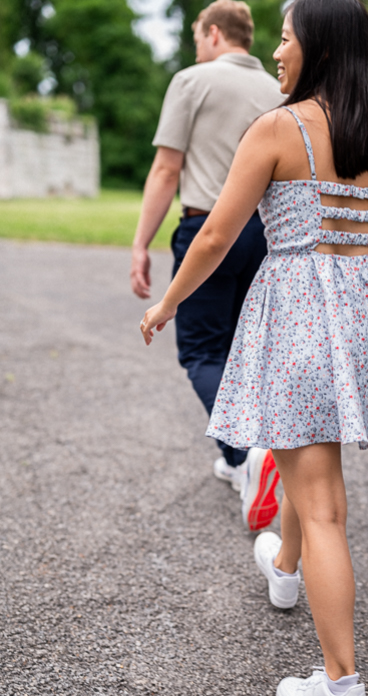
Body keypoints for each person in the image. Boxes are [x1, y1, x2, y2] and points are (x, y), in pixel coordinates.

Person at [139, 0, 368, 696]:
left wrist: (168, 303)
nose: (277, 51)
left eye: (286, 36)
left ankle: (341, 689)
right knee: (315, 467)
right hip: (365, 321)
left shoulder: (280, 128)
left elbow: (212, 239)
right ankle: (285, 569)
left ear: (320, 48)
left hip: (301, 314)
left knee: (323, 498)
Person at [129, 0, 286, 530]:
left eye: (199, 35)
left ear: (215, 34)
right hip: (268, 233)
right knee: (246, 351)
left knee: (201, 352)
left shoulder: (192, 81)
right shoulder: (280, 89)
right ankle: (247, 454)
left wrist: (140, 244)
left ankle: (248, 457)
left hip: (208, 230)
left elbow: (166, 169)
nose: (197, 44)